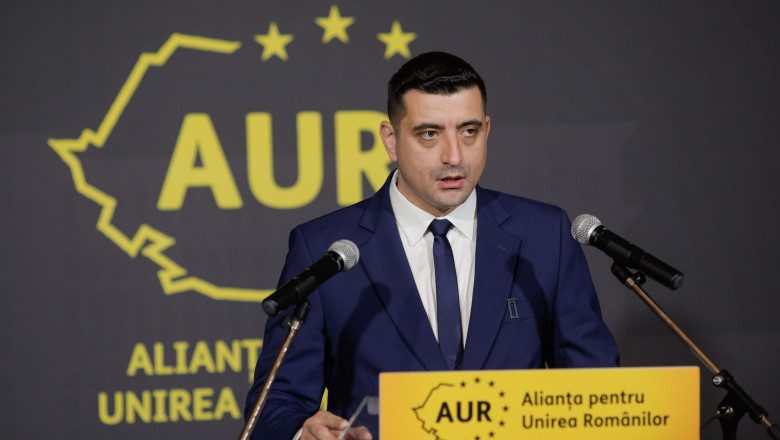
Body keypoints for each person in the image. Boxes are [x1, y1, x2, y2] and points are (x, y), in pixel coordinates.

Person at [245, 51, 619, 440]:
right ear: (391, 140)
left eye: (469, 131)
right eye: (429, 133)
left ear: (487, 130)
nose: (453, 156)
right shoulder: (325, 248)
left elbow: (595, 382)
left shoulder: (544, 235)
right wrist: (301, 432)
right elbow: (274, 403)